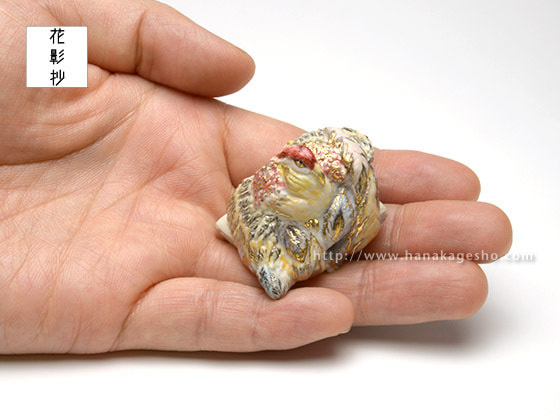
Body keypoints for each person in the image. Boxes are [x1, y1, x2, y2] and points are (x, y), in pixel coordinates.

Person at [0, 0, 512, 353]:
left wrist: (47, 42)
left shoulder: (311, 230)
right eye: (298, 154)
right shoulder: (254, 210)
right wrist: (45, 44)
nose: (288, 158)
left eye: (309, 166)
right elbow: (44, 42)